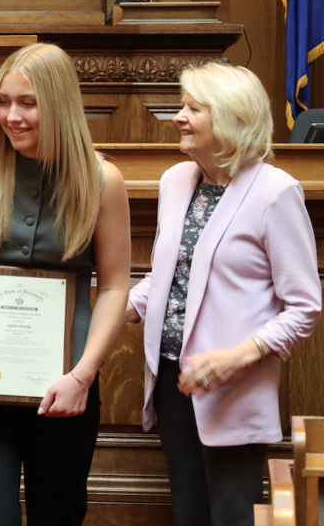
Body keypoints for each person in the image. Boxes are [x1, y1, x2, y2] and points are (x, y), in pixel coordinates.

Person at [0, 43, 131, 526]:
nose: (11, 116)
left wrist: (83, 377)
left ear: (59, 106)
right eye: (4, 101)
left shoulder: (103, 180)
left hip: (65, 387)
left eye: (27, 103)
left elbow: (115, 286)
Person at [125, 62, 322, 526]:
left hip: (234, 386)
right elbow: (169, 275)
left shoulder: (276, 192)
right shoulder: (175, 180)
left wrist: (238, 357)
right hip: (173, 378)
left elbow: (305, 306)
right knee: (189, 514)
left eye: (194, 109)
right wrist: (118, 307)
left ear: (233, 119)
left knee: (233, 517)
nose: (179, 117)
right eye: (182, 106)